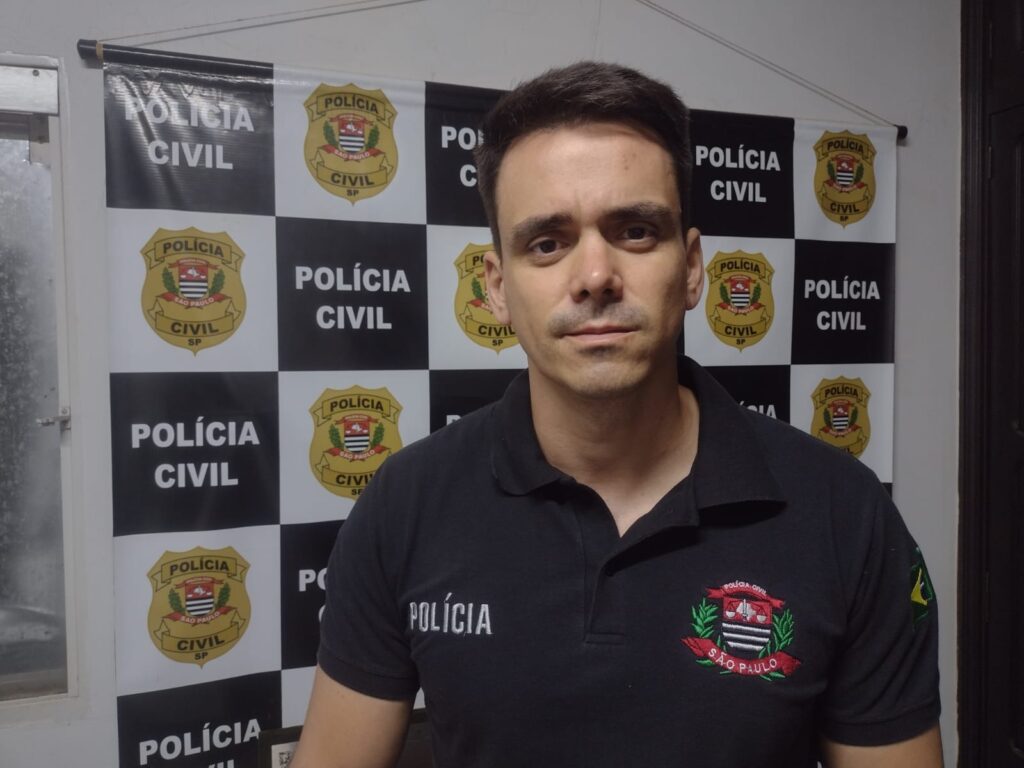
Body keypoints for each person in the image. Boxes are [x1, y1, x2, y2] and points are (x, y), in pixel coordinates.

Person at [293, 61, 942, 767]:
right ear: (497, 288)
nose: (596, 276)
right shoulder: (405, 504)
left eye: (634, 231)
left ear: (691, 268)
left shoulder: (844, 514)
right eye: (547, 243)